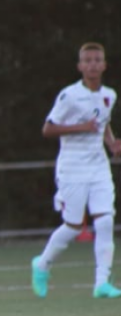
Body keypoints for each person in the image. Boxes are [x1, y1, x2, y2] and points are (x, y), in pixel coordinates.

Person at [31, 43, 121, 299]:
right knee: (72, 226)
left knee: (104, 220)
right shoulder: (69, 95)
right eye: (88, 60)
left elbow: (103, 124)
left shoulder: (109, 95)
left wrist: (112, 143)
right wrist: (81, 127)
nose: (93, 64)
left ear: (104, 65)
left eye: (97, 60)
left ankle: (101, 282)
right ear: (80, 66)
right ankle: (42, 264)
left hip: (99, 167)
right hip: (72, 167)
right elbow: (48, 129)